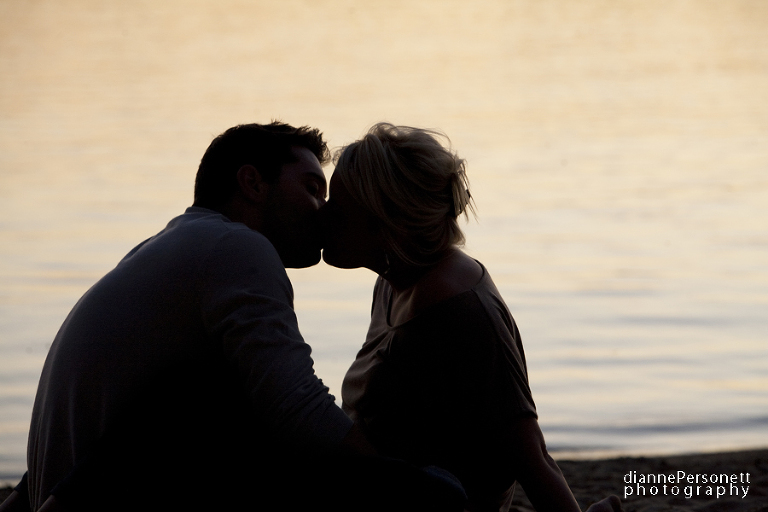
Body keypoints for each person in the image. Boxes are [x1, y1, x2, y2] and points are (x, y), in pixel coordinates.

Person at [3, 122, 465, 512]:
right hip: (110, 497)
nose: (324, 212)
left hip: (80, 490)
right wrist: (403, 479)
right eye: (311, 188)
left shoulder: (172, 247)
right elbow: (298, 409)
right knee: (436, 492)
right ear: (252, 183)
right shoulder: (236, 247)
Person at [321, 123, 623, 512]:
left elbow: (531, 458)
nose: (322, 217)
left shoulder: (459, 312)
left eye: (340, 212)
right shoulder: (395, 281)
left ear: (388, 224)